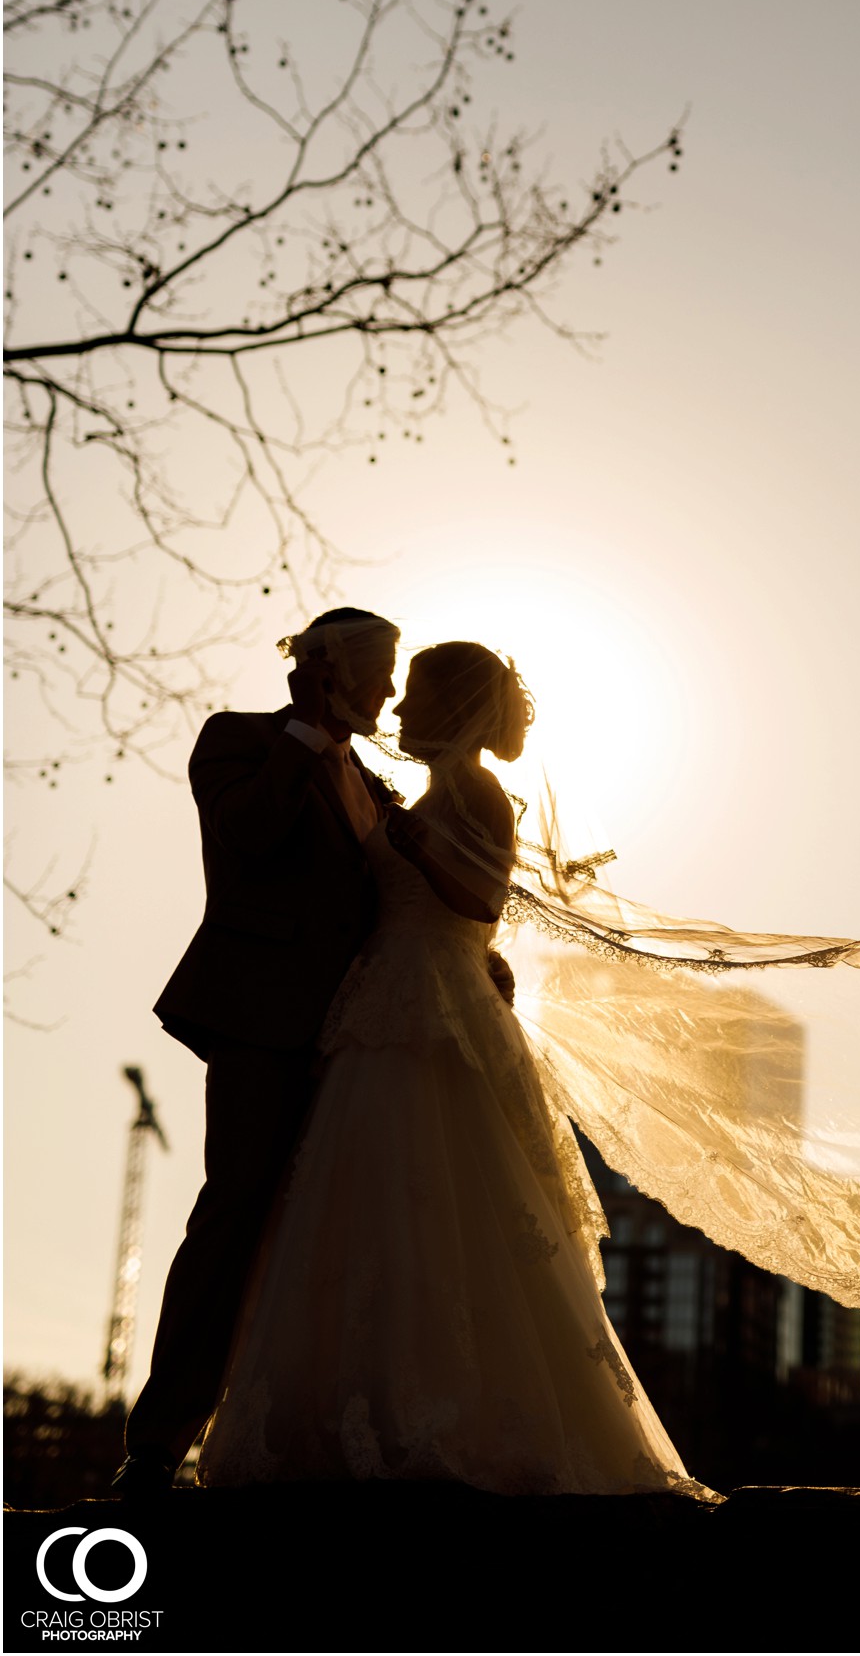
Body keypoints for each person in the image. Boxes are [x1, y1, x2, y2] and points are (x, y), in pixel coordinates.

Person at [196, 640, 705, 1498]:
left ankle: (454, 1415)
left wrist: (416, 850)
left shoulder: (476, 793)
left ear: (453, 709)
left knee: (445, 1194)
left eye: (415, 696)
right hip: (381, 1002)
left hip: (435, 1009)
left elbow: (484, 903)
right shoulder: (425, 793)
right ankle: (364, 1410)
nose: (397, 709)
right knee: (367, 1201)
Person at [115, 609, 511, 1497]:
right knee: (234, 1213)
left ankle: (334, 1429)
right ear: (330, 671)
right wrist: (303, 731)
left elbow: (409, 893)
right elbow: (249, 836)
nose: (389, 695)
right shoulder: (239, 743)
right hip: (263, 1025)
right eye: (379, 676)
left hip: (361, 1042)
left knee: (341, 1235)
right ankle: (157, 1444)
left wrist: (477, 961)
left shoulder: (374, 780)